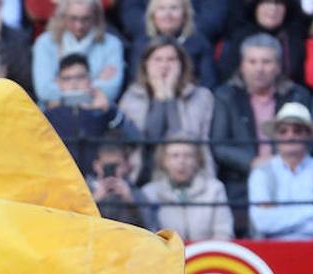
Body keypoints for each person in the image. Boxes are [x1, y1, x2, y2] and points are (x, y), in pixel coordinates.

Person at [211, 32, 312, 235]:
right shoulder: (225, 95)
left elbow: (310, 139)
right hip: (240, 180)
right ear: (242, 65)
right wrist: (252, 162)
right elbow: (219, 145)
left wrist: (279, 162)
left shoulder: (297, 94)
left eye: (266, 62)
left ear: (278, 66)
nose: (259, 69)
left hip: (291, 177)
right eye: (252, 61)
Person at [118, 37, 214, 183]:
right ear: (146, 64)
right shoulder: (131, 98)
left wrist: (169, 97)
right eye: (157, 59)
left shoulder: (201, 97)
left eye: (171, 60)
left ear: (182, 64)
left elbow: (184, 138)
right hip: (144, 172)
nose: (164, 65)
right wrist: (159, 98)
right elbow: (147, 141)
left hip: (190, 173)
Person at [248, 101, 313, 236]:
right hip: (271, 252)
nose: (290, 136)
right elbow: (263, 223)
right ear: (275, 136)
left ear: (308, 136)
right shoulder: (261, 172)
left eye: (298, 131)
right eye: (283, 131)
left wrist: (279, 217)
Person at [44, 52, 141, 174]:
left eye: (80, 77)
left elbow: (136, 139)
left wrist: (110, 111)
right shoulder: (48, 116)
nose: (74, 84)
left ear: (90, 80)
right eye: (67, 79)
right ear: (59, 83)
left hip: (98, 180)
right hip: (63, 182)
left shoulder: (105, 111)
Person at [139, 131, 234, 239]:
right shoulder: (150, 192)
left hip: (206, 254)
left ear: (198, 160)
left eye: (188, 156)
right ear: (164, 161)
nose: (181, 161)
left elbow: (223, 233)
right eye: (175, 156)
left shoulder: (214, 189)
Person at [32, 0, 125, 105]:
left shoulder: (112, 44)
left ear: (96, 17)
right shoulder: (45, 43)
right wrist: (94, 83)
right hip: (54, 113)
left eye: (86, 19)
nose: (79, 26)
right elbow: (44, 91)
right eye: (73, 18)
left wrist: (62, 83)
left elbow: (111, 89)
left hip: (96, 111)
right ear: (63, 16)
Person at [218, 0, 310, 86]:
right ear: (256, 7)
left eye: (279, 3)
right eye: (267, 2)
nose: (273, 9)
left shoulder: (294, 36)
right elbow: (230, 76)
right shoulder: (241, 37)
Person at [129, 0, 217, 89]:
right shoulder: (141, 44)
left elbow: (208, 83)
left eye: (174, 8)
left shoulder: (200, 43)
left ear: (185, 15)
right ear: (152, 15)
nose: (167, 14)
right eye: (161, 8)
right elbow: (136, 81)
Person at [86, 135, 155, 227]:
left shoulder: (136, 193)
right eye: (106, 165)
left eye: (117, 165)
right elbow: (76, 226)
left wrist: (130, 201)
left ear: (126, 166)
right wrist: (95, 200)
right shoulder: (84, 190)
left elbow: (150, 229)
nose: (111, 170)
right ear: (96, 165)